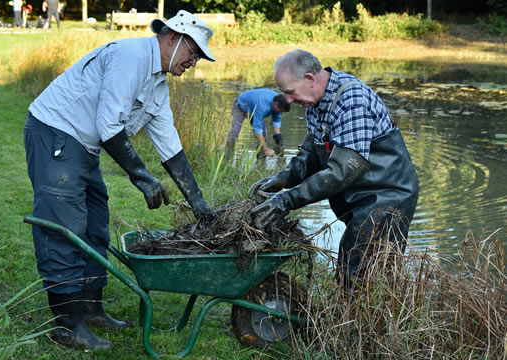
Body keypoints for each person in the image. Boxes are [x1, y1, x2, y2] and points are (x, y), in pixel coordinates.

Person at [23, 10, 215, 349]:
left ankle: (91, 308)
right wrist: (141, 177)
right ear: (173, 38)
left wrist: (198, 202)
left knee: (96, 222)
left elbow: (169, 145)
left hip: (84, 145)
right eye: (193, 52)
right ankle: (67, 325)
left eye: (199, 56)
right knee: (63, 226)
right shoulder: (131, 57)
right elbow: (109, 126)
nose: (194, 62)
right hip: (56, 133)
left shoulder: (157, 83)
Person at [248, 49, 419, 288]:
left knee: (359, 268)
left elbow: (344, 171)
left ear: (309, 79)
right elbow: (312, 153)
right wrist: (283, 179)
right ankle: (352, 317)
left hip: (388, 195)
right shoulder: (315, 104)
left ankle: (364, 322)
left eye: (289, 91)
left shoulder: (351, 100)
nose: (287, 99)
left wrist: (287, 200)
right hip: (361, 196)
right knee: (356, 267)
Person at [225, 88, 290, 159]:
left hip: (254, 108)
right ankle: (227, 157)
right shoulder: (263, 106)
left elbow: (276, 123)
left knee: (264, 134)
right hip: (240, 106)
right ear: (275, 104)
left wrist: (279, 142)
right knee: (234, 132)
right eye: (280, 111)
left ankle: (261, 159)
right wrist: (267, 149)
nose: (280, 113)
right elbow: (257, 131)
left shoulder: (280, 101)